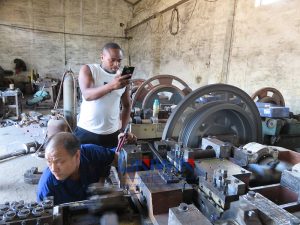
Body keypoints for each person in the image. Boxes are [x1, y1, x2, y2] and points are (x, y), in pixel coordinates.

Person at [37, 132, 136, 205]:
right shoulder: (47, 188)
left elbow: (116, 157)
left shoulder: (91, 153)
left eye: (59, 161)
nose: (53, 168)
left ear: (77, 155)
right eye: (49, 161)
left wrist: (126, 143)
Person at [74, 42, 132, 148]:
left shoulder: (122, 78)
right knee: (84, 163)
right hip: (87, 131)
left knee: (108, 163)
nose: (116, 64)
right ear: (102, 57)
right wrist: (111, 86)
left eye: (119, 60)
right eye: (112, 60)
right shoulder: (89, 70)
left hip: (112, 134)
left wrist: (122, 129)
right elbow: (87, 95)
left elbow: (127, 106)